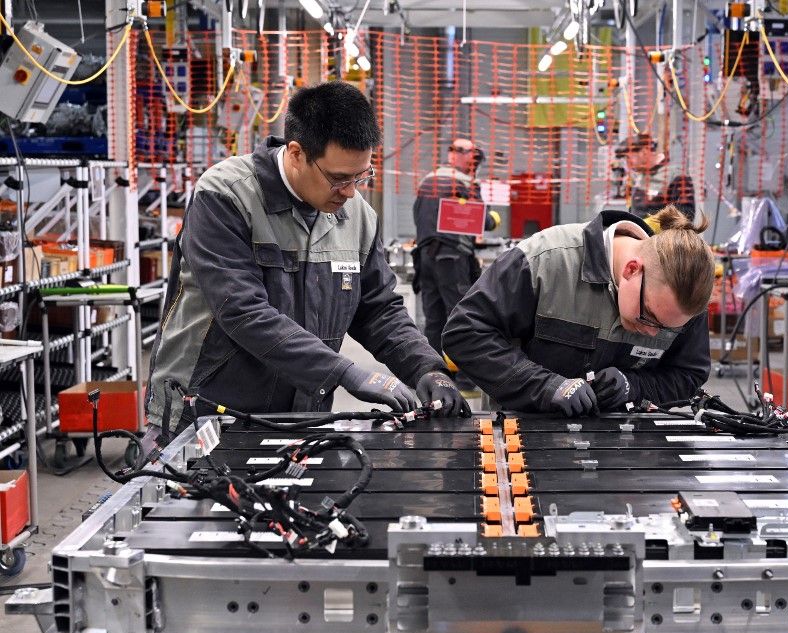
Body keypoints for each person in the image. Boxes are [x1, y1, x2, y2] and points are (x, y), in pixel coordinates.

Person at [146, 81, 467, 440]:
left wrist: (426, 368)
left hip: (300, 414)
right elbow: (243, 311)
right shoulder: (226, 195)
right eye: (338, 178)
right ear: (296, 153)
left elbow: (378, 309)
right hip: (207, 411)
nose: (350, 192)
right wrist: (346, 373)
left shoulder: (357, 215)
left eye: (361, 176)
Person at [442, 206, 714, 416]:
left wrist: (633, 387)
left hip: (628, 449)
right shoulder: (546, 260)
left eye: (666, 329)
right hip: (526, 433)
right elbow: (464, 334)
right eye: (649, 317)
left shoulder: (682, 297)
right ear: (632, 270)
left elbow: (687, 374)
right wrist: (546, 387)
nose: (652, 332)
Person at [412, 138, 490, 356]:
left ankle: (434, 373)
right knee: (461, 317)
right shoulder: (465, 182)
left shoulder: (428, 180)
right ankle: (466, 381)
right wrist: (493, 219)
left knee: (433, 319)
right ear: (463, 156)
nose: (475, 164)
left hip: (425, 256)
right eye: (473, 158)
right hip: (452, 258)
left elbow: (418, 214)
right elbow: (481, 218)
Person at [616, 134, 696, 222]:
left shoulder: (676, 176)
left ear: (645, 151)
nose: (627, 164)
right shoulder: (641, 176)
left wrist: (653, 224)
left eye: (628, 157)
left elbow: (686, 216)